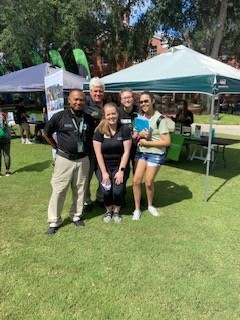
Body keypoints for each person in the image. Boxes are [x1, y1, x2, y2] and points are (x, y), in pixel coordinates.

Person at [42, 89, 94, 235]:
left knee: (80, 189)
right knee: (59, 190)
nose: (78, 102)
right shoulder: (59, 117)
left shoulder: (88, 118)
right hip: (64, 159)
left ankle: (76, 216)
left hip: (83, 159)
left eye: (81, 100)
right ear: (69, 101)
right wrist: (55, 146)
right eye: (75, 99)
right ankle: (54, 221)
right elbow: (46, 133)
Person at [132, 91, 171, 220]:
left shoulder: (160, 119)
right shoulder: (139, 118)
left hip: (155, 154)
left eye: (146, 101)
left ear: (152, 101)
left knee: (148, 183)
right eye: (141, 102)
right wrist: (138, 135)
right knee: (136, 181)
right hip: (141, 152)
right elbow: (135, 135)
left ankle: (149, 205)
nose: (143, 104)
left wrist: (147, 142)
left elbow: (167, 142)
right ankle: (137, 209)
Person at [93, 102, 132, 223]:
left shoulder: (124, 129)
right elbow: (98, 153)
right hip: (104, 167)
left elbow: (126, 152)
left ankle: (116, 212)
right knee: (106, 191)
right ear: (104, 116)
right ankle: (108, 211)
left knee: (118, 191)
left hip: (120, 166)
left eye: (113, 114)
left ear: (118, 114)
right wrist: (104, 173)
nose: (111, 117)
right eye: (108, 114)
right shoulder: (99, 131)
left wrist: (121, 171)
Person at [84, 77, 105, 212]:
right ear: (90, 91)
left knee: (104, 174)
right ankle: (86, 201)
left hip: (104, 147)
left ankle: (101, 198)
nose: (98, 94)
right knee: (87, 175)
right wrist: (103, 115)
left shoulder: (107, 103)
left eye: (100, 91)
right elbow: (92, 114)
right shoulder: (84, 104)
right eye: (95, 91)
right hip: (89, 147)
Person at [118, 88, 139, 204]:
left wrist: (139, 133)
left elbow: (145, 127)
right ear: (121, 100)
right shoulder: (118, 111)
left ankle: (138, 197)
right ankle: (121, 197)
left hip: (137, 148)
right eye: (124, 98)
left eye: (129, 97)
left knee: (137, 173)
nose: (127, 100)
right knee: (123, 173)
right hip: (123, 149)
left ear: (133, 98)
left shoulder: (139, 111)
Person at [0, 109, 11, 176]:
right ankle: (7, 171)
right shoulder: (4, 115)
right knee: (6, 154)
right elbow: (9, 125)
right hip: (6, 136)